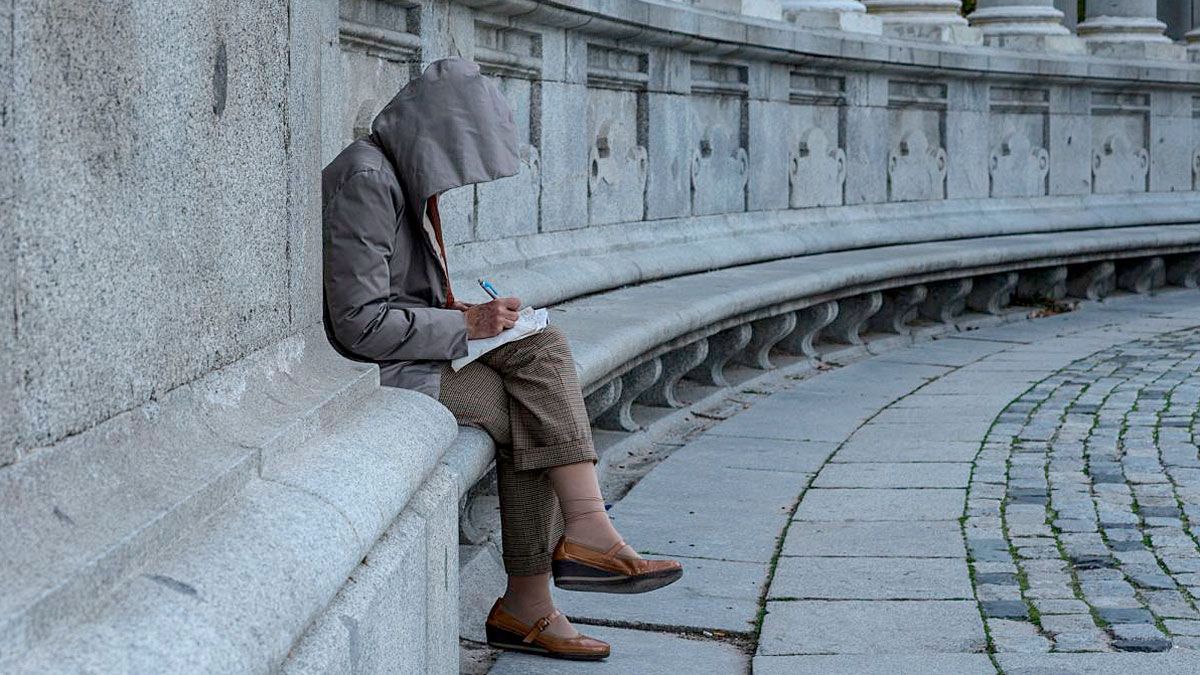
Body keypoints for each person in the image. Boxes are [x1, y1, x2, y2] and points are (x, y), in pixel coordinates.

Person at [320, 57, 682, 661]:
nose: (458, 180)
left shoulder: (391, 173)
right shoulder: (369, 179)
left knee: (540, 359)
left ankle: (550, 580)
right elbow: (360, 324)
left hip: (413, 354)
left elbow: (392, 295)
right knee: (534, 394)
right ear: (437, 135)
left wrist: (464, 314)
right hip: (377, 370)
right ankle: (550, 579)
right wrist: (464, 324)